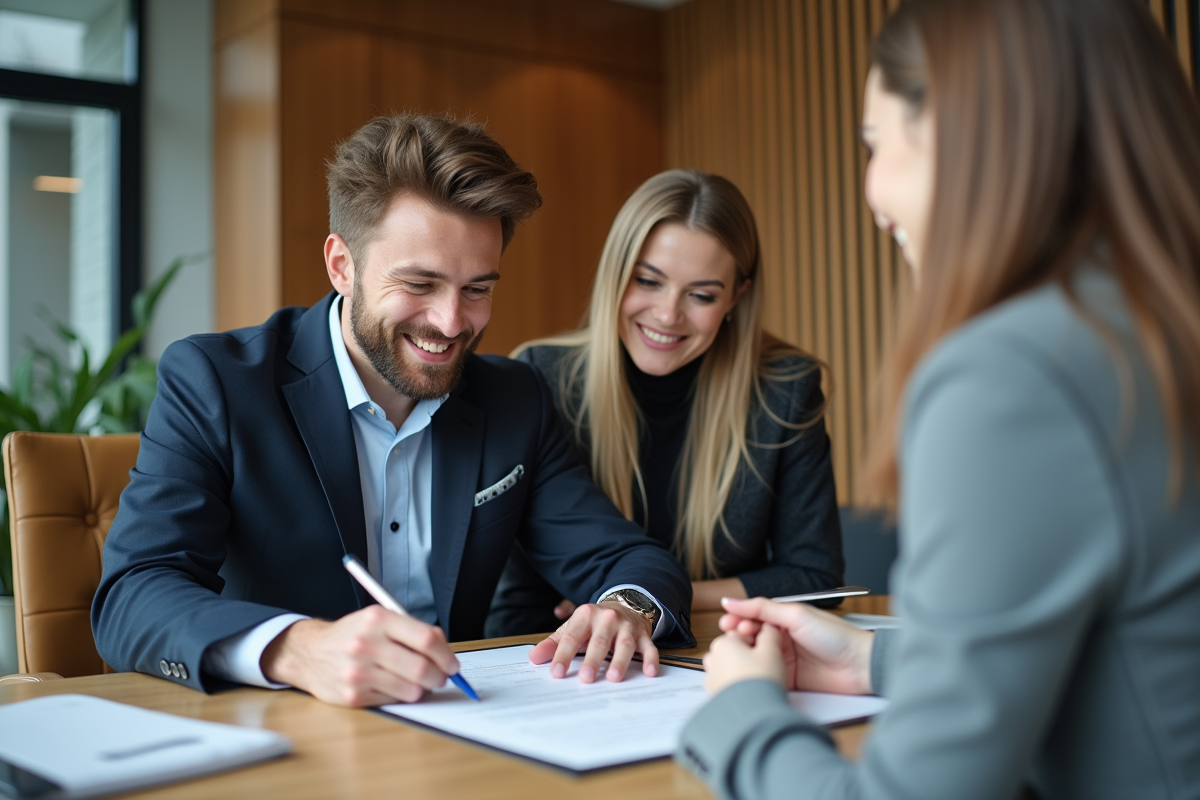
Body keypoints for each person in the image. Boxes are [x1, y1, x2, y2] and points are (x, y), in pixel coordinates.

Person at [677, 0, 1200, 798]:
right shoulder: (1153, 331)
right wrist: (872, 656)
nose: (871, 190)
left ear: (971, 137)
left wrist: (741, 715)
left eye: (875, 144)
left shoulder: (1014, 373)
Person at [92, 113, 697, 708]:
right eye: (419, 284)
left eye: (478, 289)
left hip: (463, 728)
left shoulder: (516, 398)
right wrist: (296, 649)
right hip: (282, 735)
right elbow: (133, 594)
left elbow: (628, 558)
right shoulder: (216, 382)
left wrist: (626, 608)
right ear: (341, 266)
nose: (451, 321)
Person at [485, 170, 843, 637]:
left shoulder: (784, 390)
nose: (668, 314)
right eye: (648, 282)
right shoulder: (541, 378)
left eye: (700, 295)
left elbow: (815, 581)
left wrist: (643, 601)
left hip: (726, 649)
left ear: (737, 296)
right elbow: (518, 593)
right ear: (616, 273)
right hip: (567, 653)